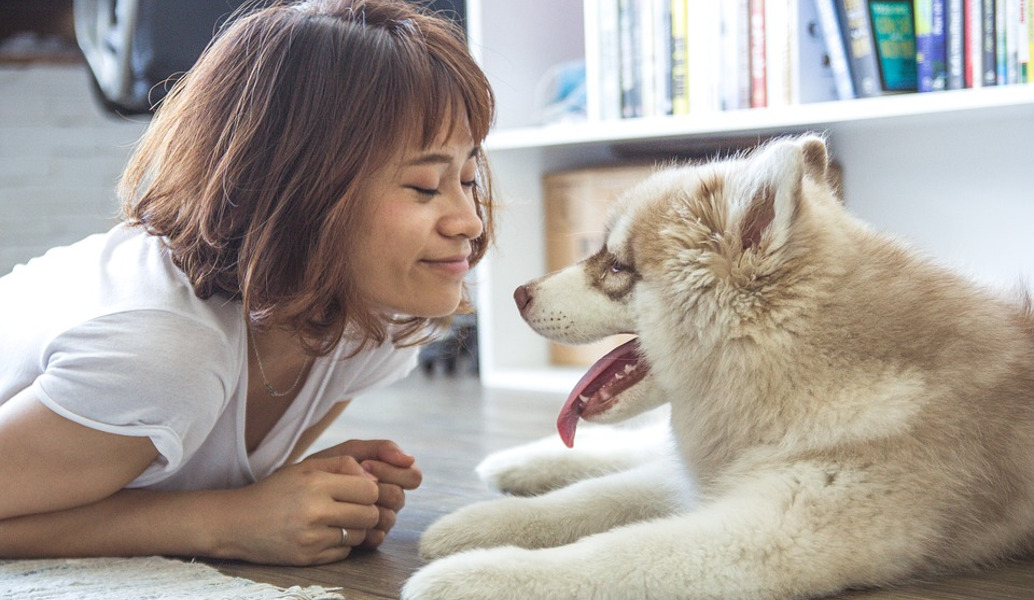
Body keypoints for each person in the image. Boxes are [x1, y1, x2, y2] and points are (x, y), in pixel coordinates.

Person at [0, 0, 495, 566]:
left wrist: (311, 495)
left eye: (468, 178)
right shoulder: (162, 353)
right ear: (298, 191)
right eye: (426, 187)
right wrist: (225, 523)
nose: (471, 221)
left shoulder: (370, 323)